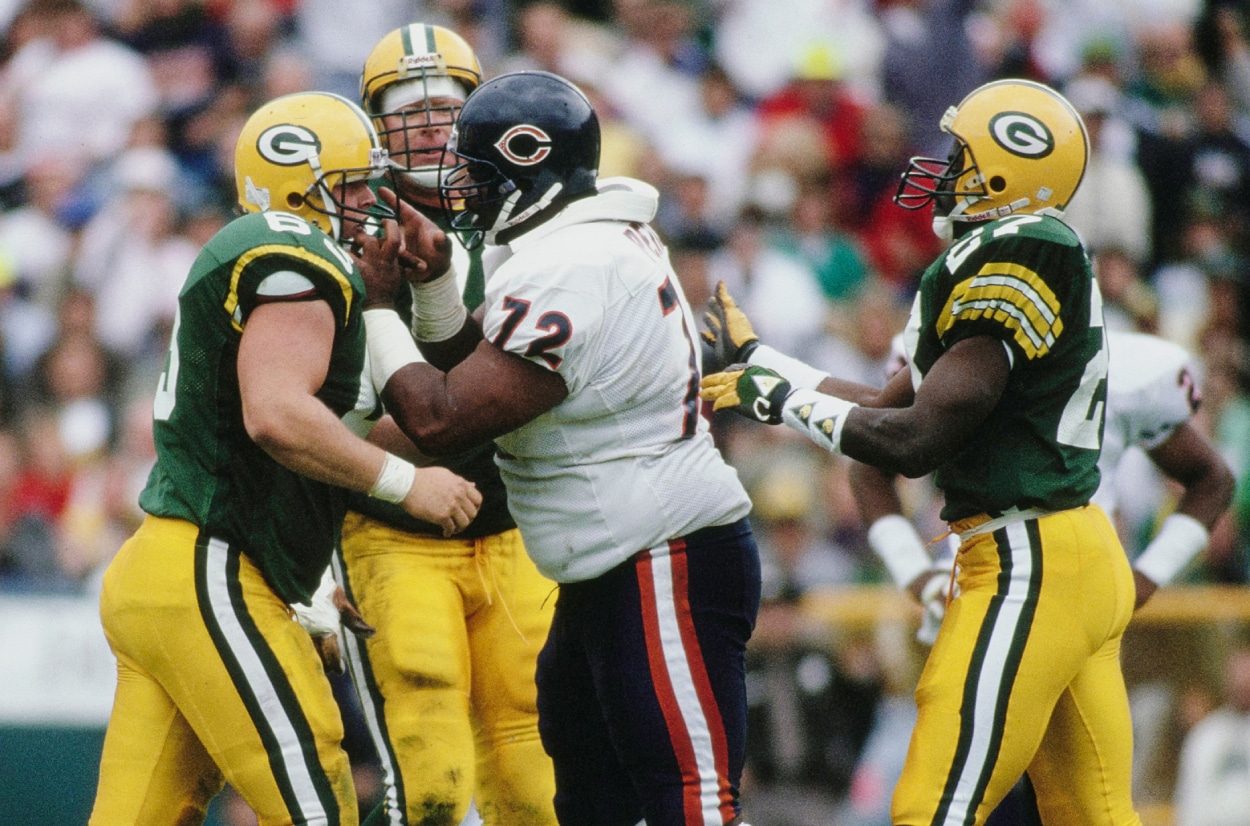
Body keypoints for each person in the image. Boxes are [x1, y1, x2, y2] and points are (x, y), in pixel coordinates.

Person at [700, 78, 1143, 824]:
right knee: (1092, 814)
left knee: (931, 809)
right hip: (1069, 553)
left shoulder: (1020, 250)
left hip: (1030, 561)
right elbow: (884, 405)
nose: (943, 169)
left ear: (1010, 172)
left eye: (963, 157)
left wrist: (773, 399)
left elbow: (914, 440)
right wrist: (763, 363)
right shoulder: (1007, 254)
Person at [357, 69, 761, 826]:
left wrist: (381, 308)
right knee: (587, 792)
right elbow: (468, 361)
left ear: (527, 162)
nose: (466, 192)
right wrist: (437, 282)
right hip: (612, 563)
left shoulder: (577, 266)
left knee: (690, 799)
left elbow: (441, 420)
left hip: (663, 557)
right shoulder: (569, 243)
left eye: (479, 175)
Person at [88, 90, 482, 826]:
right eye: (354, 185)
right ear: (301, 186)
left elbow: (302, 443)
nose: (372, 203)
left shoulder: (297, 263)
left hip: (175, 570)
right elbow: (276, 415)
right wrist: (405, 486)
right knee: (318, 805)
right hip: (207, 570)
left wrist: (310, 577)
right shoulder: (290, 247)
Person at [339, 24, 558, 826]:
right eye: (407, 112)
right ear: (373, 127)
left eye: (445, 107)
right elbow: (314, 425)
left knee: (537, 786)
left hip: (513, 529)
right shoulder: (346, 234)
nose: (430, 127)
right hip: (393, 530)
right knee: (428, 785)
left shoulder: (530, 218)